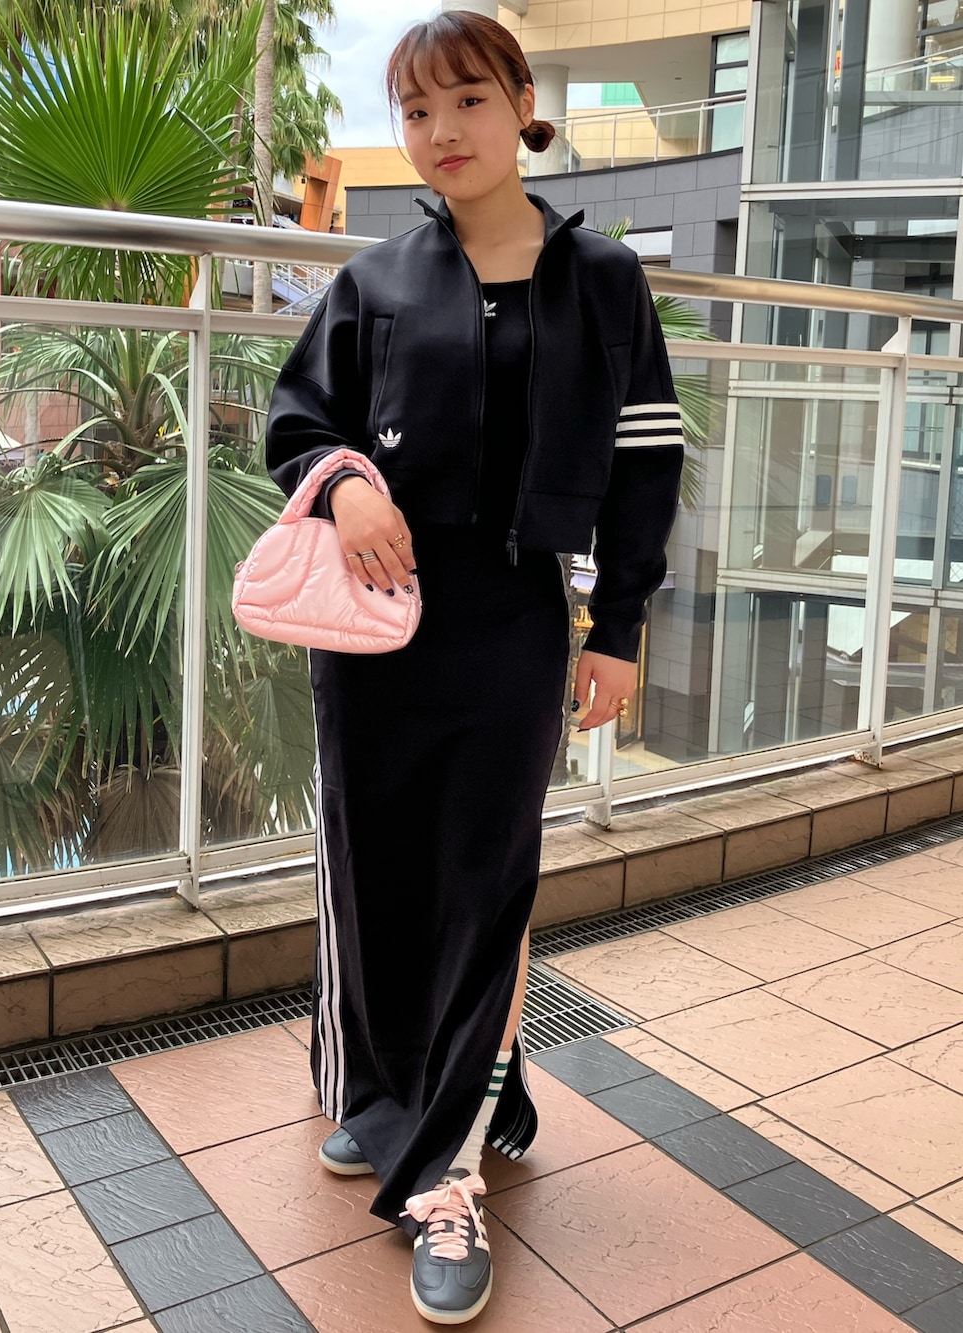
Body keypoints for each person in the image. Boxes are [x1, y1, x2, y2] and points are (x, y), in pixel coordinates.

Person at [265, 10, 684, 1325]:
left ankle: (444, 1172)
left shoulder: (602, 279)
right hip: (374, 623)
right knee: (374, 871)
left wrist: (618, 625)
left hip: (510, 617)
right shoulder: (377, 279)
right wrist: (345, 485)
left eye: (466, 101)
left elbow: (646, 463)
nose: (440, 132)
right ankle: (397, 1097)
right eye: (415, 109)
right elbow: (296, 421)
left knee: (484, 885)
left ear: (519, 104)